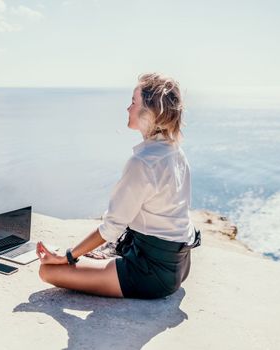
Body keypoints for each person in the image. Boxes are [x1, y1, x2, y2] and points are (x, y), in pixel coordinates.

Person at [36, 73, 201, 299]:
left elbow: (111, 228)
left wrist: (67, 257)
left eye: (134, 102)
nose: (128, 108)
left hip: (150, 274)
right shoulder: (174, 150)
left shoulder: (143, 162)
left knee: (48, 271)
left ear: (150, 113)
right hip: (180, 265)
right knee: (86, 260)